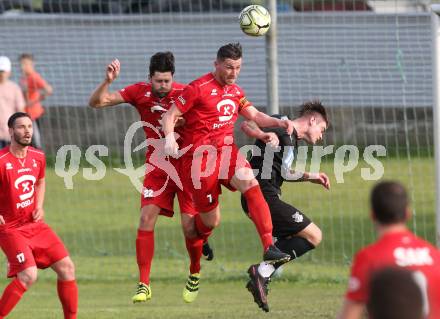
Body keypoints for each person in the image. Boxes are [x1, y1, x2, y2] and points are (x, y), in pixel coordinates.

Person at [162, 42, 293, 303]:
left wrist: (279, 122)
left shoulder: (235, 92)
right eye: (229, 67)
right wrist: (169, 138)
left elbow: (254, 114)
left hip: (227, 154)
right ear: (217, 64)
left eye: (238, 67)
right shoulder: (197, 88)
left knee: (251, 184)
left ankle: (269, 246)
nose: (234, 72)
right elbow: (170, 114)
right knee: (210, 221)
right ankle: (199, 233)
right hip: (199, 162)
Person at [89, 52, 213, 304]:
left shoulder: (186, 92)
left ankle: (194, 272)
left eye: (166, 81)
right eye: (158, 81)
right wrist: (107, 81)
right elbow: (96, 102)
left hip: (186, 166)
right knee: (146, 218)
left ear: (172, 78)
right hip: (157, 168)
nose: (163, 86)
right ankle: (143, 284)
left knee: (190, 228)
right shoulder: (139, 92)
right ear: (150, 78)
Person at [240, 101, 330, 312]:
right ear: (313, 120)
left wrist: (311, 177)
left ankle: (261, 274)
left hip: (263, 198)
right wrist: (262, 135)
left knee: (297, 239)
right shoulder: (281, 123)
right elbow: (251, 123)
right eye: (322, 129)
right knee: (314, 235)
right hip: (262, 196)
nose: (322, 135)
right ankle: (261, 272)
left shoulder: (292, 141)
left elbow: (284, 172)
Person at [0, 112, 77, 318]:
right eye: (21, 127)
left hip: (34, 224)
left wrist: (39, 205)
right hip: (10, 228)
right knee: (28, 274)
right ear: (10, 131)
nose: (27, 131)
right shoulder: (1, 160)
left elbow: (40, 181)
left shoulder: (38, 156)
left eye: (29, 127)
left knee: (67, 268)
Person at [338, 181, 440, 319]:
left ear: (373, 215)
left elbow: (349, 315)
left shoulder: (369, 257)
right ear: (407, 213)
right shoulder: (434, 254)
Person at [19, 53, 53, 149]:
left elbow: (48, 89)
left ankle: (39, 160)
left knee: (35, 139)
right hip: (25, 113)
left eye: (25, 64)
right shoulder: (23, 78)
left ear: (31, 64)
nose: (22, 67)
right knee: (25, 139)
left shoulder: (34, 77)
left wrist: (34, 101)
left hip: (34, 114)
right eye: (21, 64)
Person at [0, 56, 25, 149]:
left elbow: (21, 110)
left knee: (11, 159)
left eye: (3, 71)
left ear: (9, 72)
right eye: (0, 71)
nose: (1, 74)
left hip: (10, 131)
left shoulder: (14, 88)